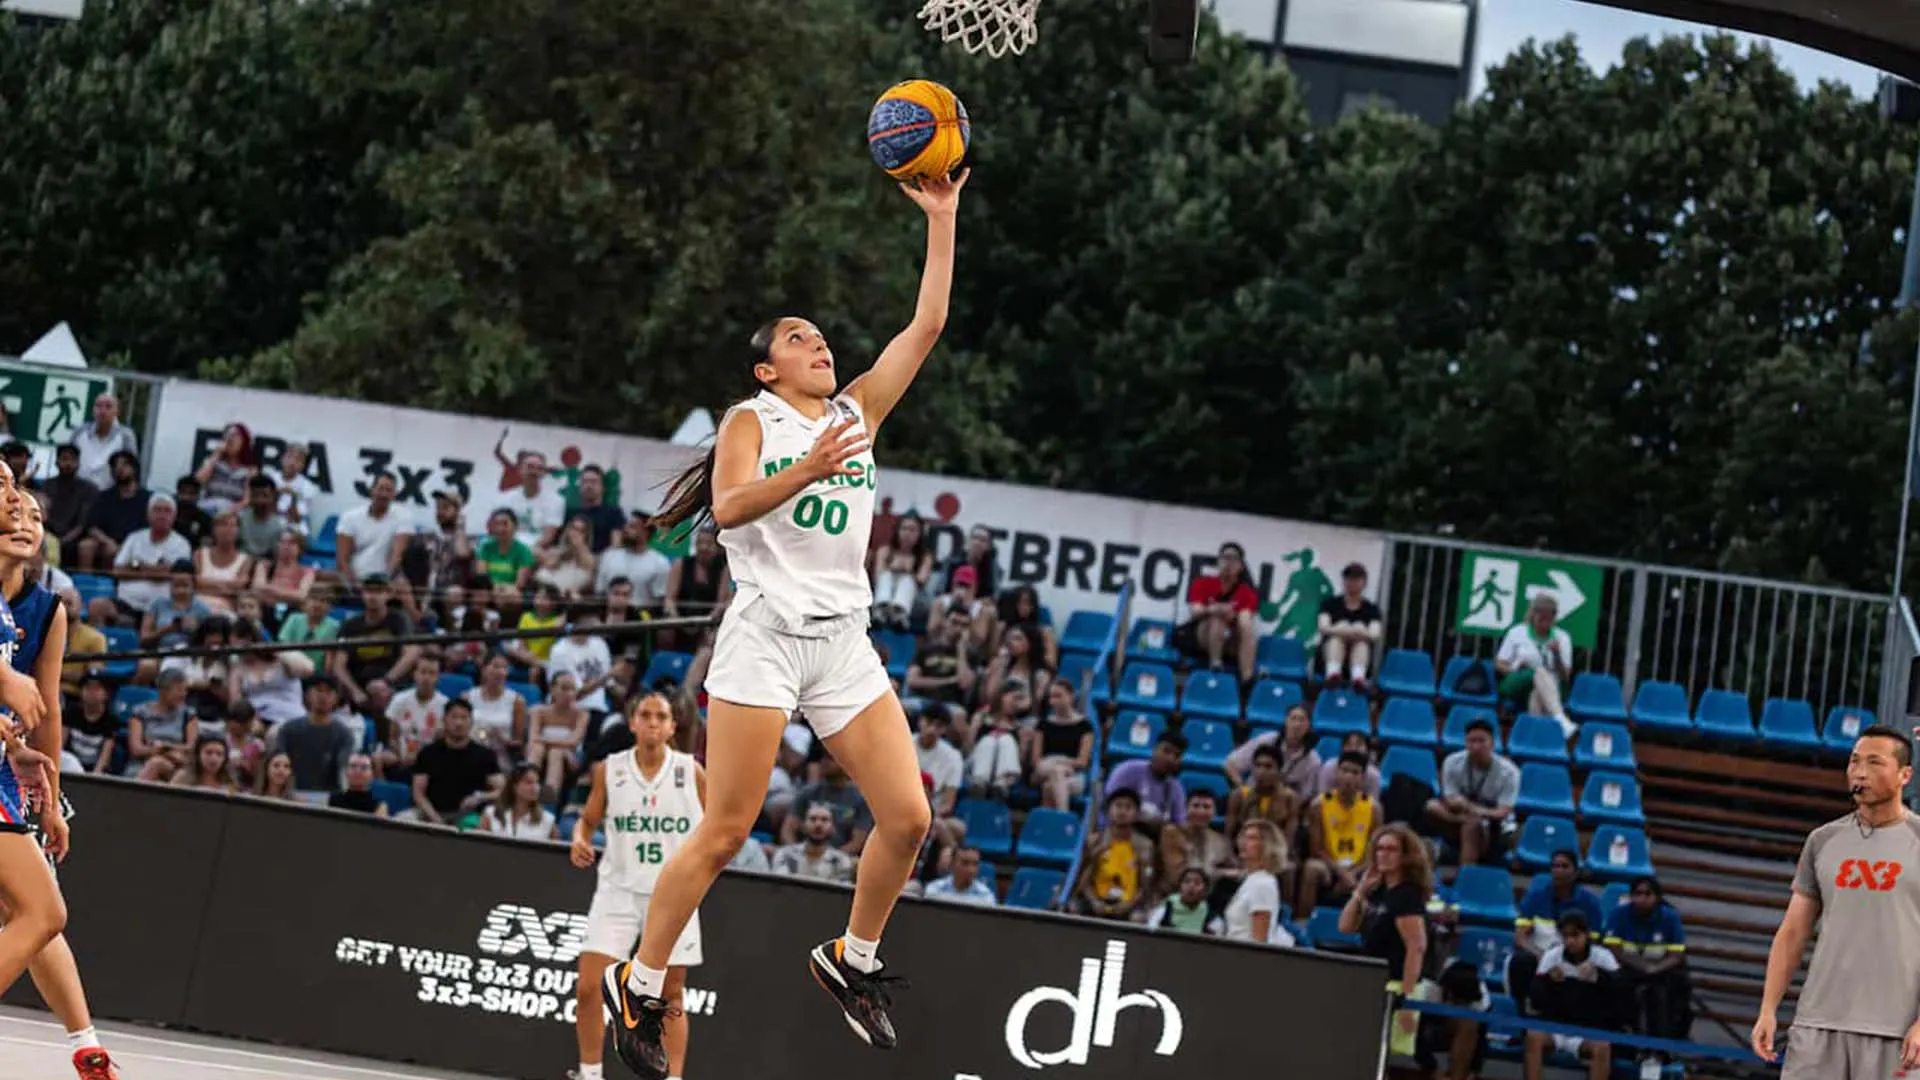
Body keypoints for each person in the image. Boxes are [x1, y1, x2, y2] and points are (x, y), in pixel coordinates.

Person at [601, 169, 967, 1080]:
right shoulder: (751, 418)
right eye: (799, 338)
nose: (820, 343)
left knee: (910, 817)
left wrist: (944, 218)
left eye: (822, 336)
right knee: (726, 830)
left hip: (840, 641)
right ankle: (640, 983)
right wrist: (808, 469)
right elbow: (726, 508)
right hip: (763, 638)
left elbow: (925, 327)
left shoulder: (857, 413)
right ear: (769, 367)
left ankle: (852, 958)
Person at [0, 494, 120, 1079]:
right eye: (10, 505)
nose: (22, 520)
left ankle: (85, 1044)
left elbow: (46, 712)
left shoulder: (43, 610)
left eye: (35, 517)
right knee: (38, 908)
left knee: (38, 906)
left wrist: (48, 796)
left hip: (7, 763)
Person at [1753, 725, 1920, 1080]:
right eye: (1854, 761)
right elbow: (1793, 931)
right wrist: (1768, 1007)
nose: (1860, 772)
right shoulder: (1822, 840)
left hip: (1896, 1031)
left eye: (1875, 762)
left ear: (1905, 774)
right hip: (1817, 1023)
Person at [572, 693, 705, 1080]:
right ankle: (589, 1074)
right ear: (631, 723)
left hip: (674, 894)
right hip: (618, 890)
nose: (651, 721)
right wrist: (581, 838)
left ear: (671, 726)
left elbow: (719, 826)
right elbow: (588, 819)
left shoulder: (690, 771)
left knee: (670, 996)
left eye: (659, 716)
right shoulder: (609, 770)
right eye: (644, 715)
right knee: (588, 988)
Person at [1339, 823, 1432, 1056]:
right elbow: (1345, 926)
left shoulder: (1407, 895)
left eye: (1391, 850)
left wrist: (1408, 1002)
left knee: (1387, 1056)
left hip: (1398, 985)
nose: (1383, 854)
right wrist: (1360, 891)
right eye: (1380, 848)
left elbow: (1416, 946)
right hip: (1373, 981)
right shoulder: (1378, 892)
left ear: (1405, 857)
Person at [1221, 819, 1295, 947]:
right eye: (1243, 837)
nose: (1243, 842)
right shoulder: (1252, 879)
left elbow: (1259, 942)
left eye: (1251, 838)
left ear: (1267, 845)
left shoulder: (1263, 884)